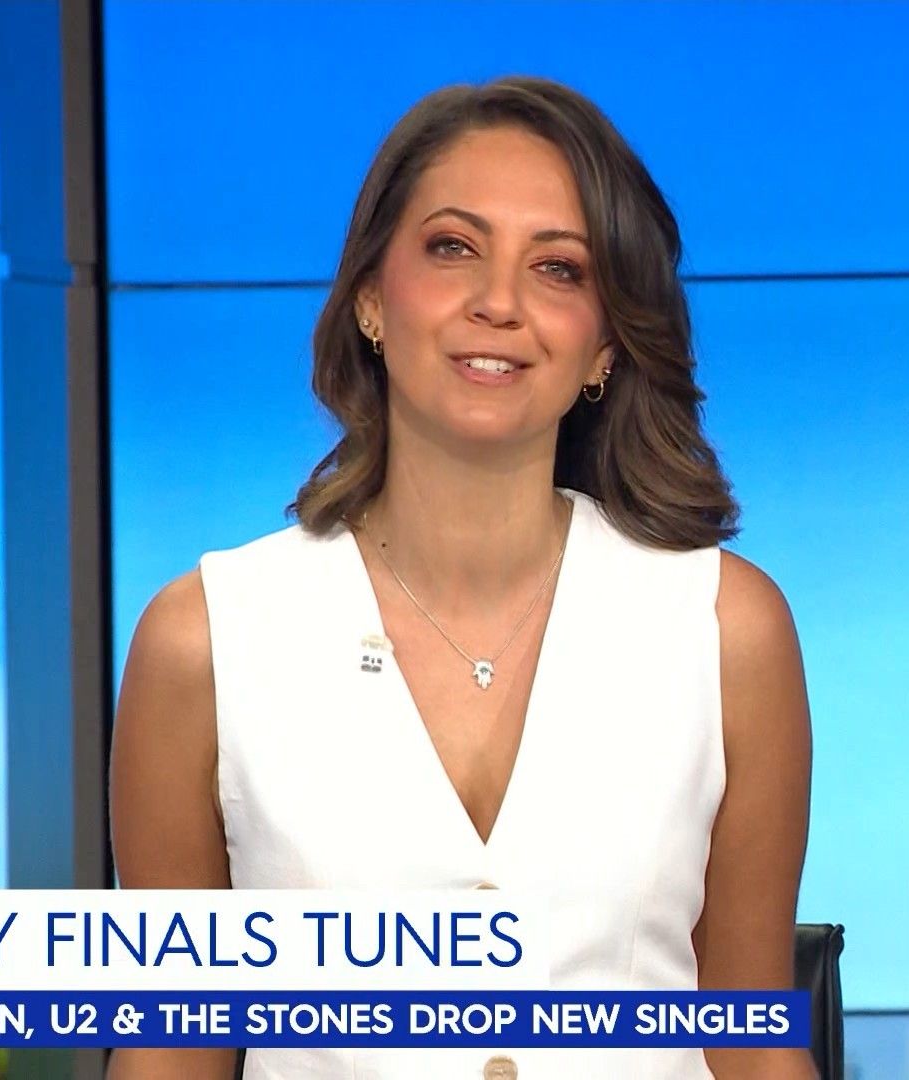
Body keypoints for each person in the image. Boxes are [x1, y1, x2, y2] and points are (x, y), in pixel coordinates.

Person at [108, 76, 813, 1080]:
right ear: (370, 299)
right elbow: (170, 1057)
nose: (499, 303)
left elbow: (751, 1046)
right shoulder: (207, 642)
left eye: (558, 268)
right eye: (452, 248)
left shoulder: (723, 628)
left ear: (606, 346)